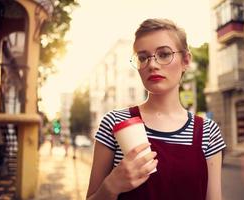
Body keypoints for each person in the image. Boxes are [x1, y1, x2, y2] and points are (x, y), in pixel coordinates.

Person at [86, 18, 226, 200]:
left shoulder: (208, 132)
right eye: (143, 58)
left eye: (164, 54)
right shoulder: (114, 123)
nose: (152, 64)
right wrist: (111, 186)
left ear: (185, 60)